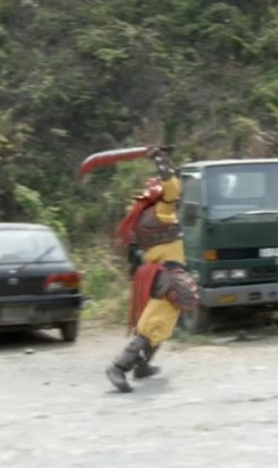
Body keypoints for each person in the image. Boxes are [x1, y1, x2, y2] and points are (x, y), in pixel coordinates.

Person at [105, 147, 200, 393]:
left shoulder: (146, 216)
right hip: (167, 274)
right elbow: (173, 189)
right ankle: (119, 367)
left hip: (160, 272)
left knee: (164, 321)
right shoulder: (161, 212)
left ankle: (143, 365)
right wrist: (161, 161)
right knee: (155, 322)